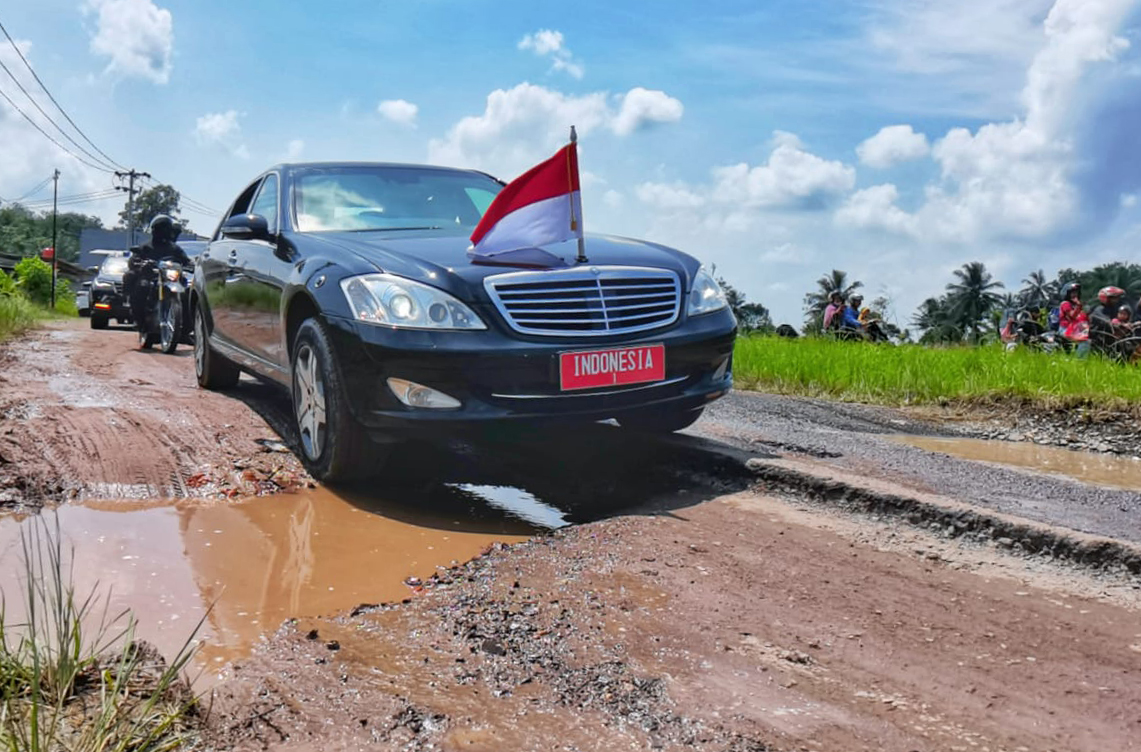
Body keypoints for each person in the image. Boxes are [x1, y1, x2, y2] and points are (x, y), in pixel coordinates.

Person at [126, 215, 190, 329]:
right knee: (142, 286)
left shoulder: (174, 248)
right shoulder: (146, 247)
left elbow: (185, 260)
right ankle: (139, 320)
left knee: (186, 293)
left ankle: (186, 328)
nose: (163, 232)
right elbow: (134, 259)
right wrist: (138, 263)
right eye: (160, 229)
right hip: (152, 277)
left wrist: (192, 265)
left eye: (165, 229)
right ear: (154, 230)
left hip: (170, 278)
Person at [1057, 281, 1089, 354]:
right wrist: (1078, 306)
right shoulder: (1065, 304)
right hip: (1065, 329)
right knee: (1084, 341)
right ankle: (1079, 360)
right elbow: (1073, 316)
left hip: (1075, 329)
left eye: (1076, 292)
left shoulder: (1077, 305)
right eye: (1072, 292)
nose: (1075, 294)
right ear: (1067, 294)